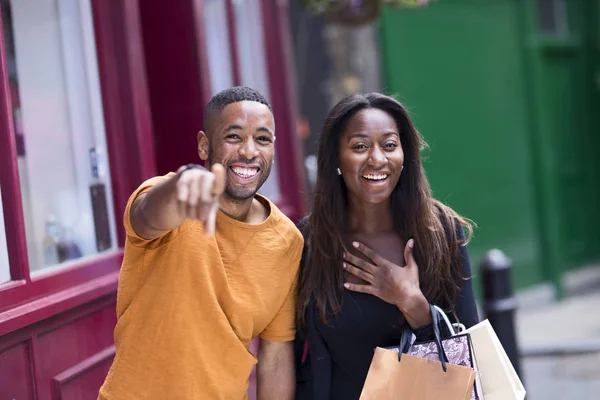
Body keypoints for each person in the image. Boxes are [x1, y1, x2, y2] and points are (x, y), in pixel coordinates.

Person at [98, 86, 302, 400]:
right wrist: (181, 186)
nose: (249, 151)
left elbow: (275, 359)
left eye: (262, 139)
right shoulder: (166, 195)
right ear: (204, 146)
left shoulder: (288, 241)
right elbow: (148, 217)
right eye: (234, 137)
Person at [294, 93, 479, 400]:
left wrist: (410, 301)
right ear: (336, 158)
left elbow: (467, 349)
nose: (377, 158)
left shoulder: (442, 232)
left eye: (389, 145)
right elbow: (289, 353)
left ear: (405, 155)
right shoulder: (312, 240)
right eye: (359, 146)